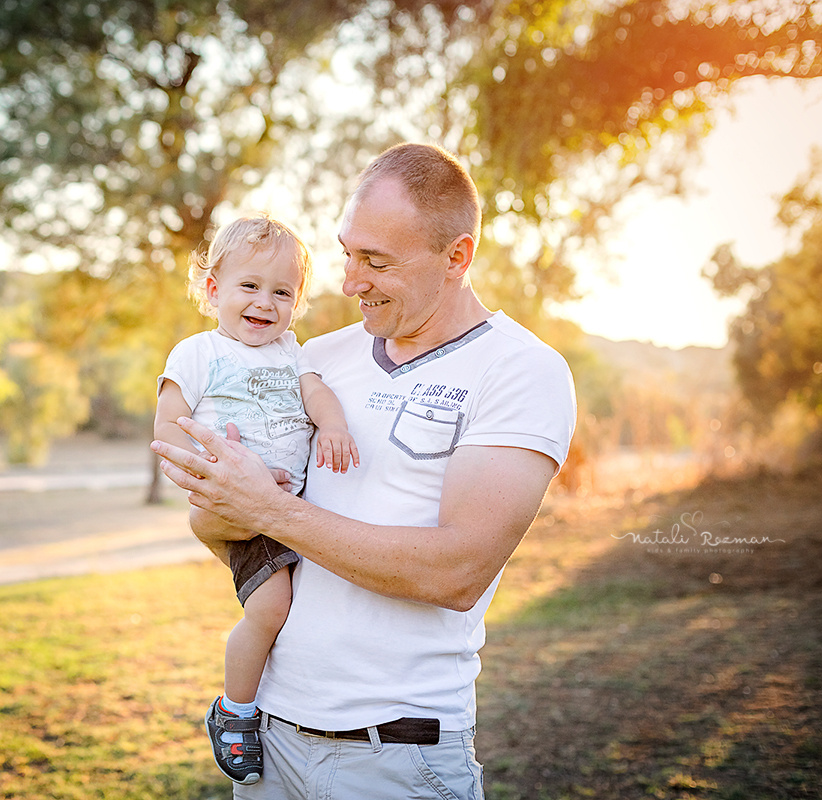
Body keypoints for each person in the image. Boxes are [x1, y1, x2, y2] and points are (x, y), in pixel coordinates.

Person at [151, 142, 576, 799]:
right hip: (272, 744)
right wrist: (220, 506)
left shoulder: (520, 371)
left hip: (393, 757)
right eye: (348, 252)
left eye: (375, 262)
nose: (349, 282)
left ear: (456, 257)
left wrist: (269, 509)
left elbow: (457, 570)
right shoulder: (314, 356)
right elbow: (225, 522)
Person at [154, 215, 360, 785]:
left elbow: (316, 392)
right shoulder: (199, 353)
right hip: (239, 507)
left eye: (282, 292)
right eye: (249, 286)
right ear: (213, 288)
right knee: (269, 609)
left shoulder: (294, 353)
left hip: (288, 508)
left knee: (301, 603)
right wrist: (217, 474)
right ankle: (235, 712)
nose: (264, 303)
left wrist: (335, 425)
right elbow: (169, 430)